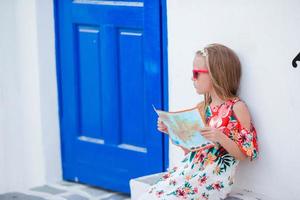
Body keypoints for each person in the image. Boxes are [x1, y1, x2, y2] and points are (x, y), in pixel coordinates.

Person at [138, 44, 259, 200]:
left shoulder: (236, 108)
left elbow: (245, 154)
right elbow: (191, 151)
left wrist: (220, 137)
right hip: (188, 172)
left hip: (211, 180)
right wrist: (172, 132)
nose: (192, 78)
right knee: (150, 195)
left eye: (196, 74)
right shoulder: (202, 108)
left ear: (216, 74)